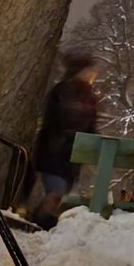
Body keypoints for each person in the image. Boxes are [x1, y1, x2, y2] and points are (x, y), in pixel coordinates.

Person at [29, 50, 100, 228]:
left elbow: (90, 125)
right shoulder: (66, 91)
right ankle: (41, 222)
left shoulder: (87, 95)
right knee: (56, 192)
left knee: (60, 193)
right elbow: (58, 119)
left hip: (70, 154)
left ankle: (42, 222)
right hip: (57, 150)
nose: (93, 74)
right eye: (90, 70)